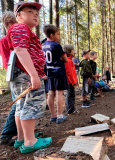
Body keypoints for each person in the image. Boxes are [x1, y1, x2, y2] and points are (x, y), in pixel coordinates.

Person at [7, 1, 52, 153]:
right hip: (26, 74)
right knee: (30, 106)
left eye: (37, 13)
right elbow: (20, 50)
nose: (35, 14)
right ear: (18, 15)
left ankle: (21, 138)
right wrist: (34, 75)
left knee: (21, 107)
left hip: (20, 74)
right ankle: (30, 141)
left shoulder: (22, 29)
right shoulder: (20, 27)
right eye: (30, 12)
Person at [42, 24, 69, 124]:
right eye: (58, 34)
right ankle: (59, 116)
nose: (59, 36)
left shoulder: (43, 45)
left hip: (49, 72)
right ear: (52, 35)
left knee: (50, 93)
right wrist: (61, 58)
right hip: (58, 72)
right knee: (59, 93)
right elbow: (66, 59)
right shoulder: (57, 45)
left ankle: (52, 116)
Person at [0, 11, 17, 146]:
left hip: (17, 74)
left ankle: (19, 132)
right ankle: (6, 134)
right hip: (14, 74)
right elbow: (7, 61)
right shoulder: (5, 40)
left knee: (21, 105)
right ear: (11, 24)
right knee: (17, 104)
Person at [63, 44, 79, 114]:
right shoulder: (68, 61)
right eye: (73, 50)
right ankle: (70, 109)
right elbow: (69, 73)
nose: (74, 52)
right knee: (70, 95)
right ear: (69, 51)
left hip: (70, 81)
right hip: (69, 82)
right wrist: (73, 82)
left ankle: (70, 108)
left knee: (70, 95)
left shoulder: (70, 60)